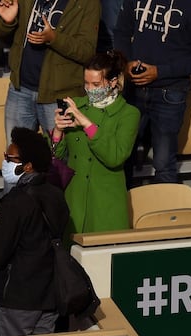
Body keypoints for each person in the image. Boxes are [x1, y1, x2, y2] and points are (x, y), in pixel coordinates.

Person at [0, 127, 69, 336]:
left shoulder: (15, 202)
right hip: (50, 296)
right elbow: (35, 234)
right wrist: (1, 221)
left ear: (28, 166)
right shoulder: (56, 195)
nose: (5, 162)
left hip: (19, 302)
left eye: (10, 158)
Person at [0, 0, 100, 190]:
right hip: (20, 89)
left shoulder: (88, 3)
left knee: (58, 165)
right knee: (13, 161)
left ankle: (54, 216)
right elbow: (2, 34)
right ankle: (13, 215)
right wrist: (7, 22)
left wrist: (54, 38)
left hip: (58, 97)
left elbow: (87, 51)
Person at [114, 0, 191, 185]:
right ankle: (122, 210)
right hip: (132, 89)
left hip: (170, 92)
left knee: (164, 164)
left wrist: (160, 72)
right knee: (121, 157)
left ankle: (165, 211)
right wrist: (126, 62)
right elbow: (121, 32)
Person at [53, 51, 140, 236]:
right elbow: (54, 158)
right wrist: (58, 132)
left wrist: (87, 124)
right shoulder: (75, 106)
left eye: (96, 84)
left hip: (105, 204)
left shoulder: (128, 114)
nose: (90, 88)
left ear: (113, 81)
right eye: (86, 83)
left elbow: (115, 157)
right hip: (74, 201)